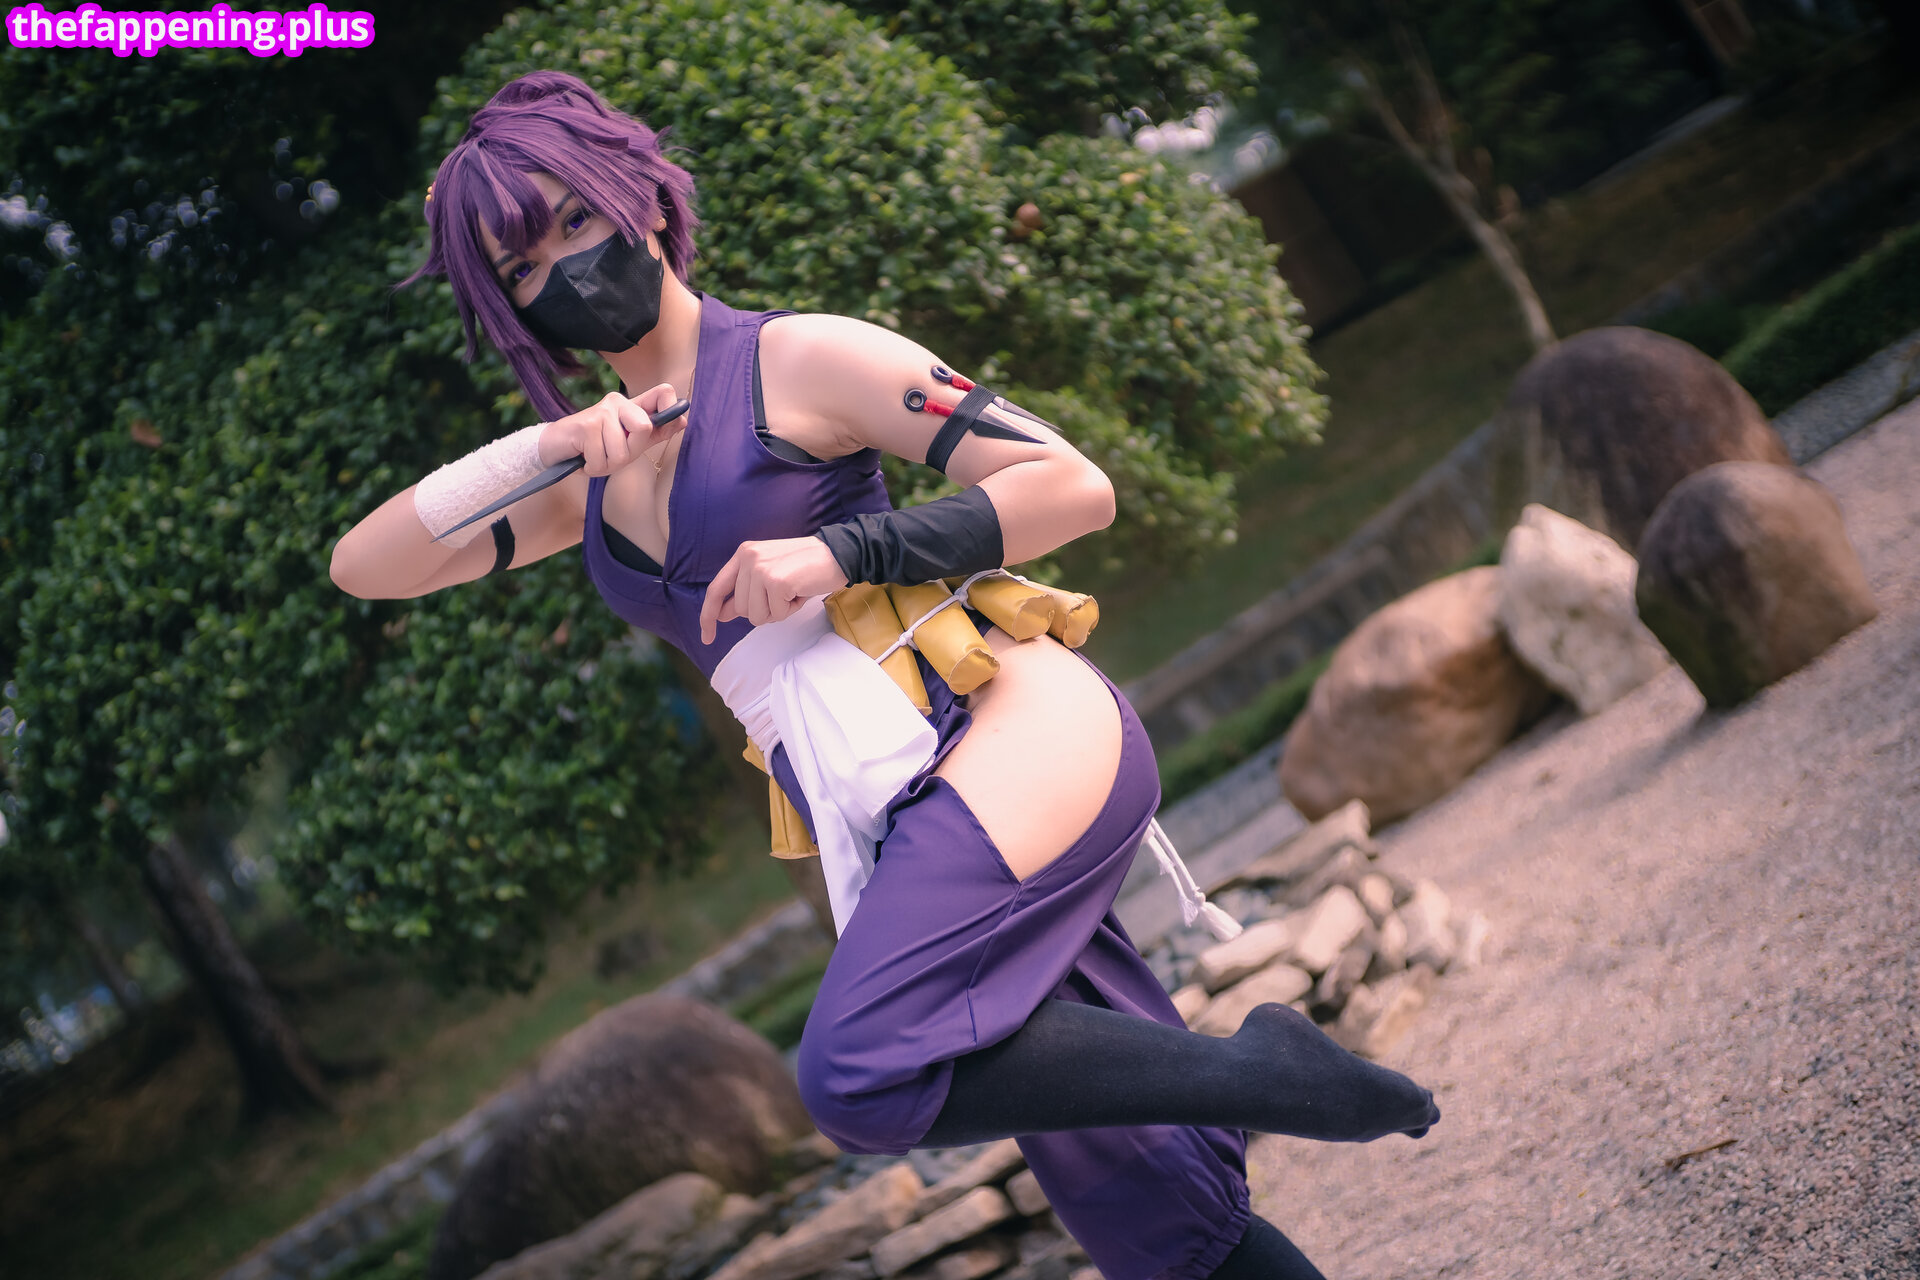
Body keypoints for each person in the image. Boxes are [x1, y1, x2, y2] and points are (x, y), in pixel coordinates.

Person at [329, 71, 1440, 1280]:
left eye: (577, 221)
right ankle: (1257, 1086)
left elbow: (1071, 485)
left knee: (857, 1071)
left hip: (997, 722)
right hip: (880, 798)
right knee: (1145, 1201)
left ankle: (1256, 1068)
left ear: (639, 196)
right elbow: (367, 564)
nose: (565, 269)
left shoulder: (797, 358)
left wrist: (841, 551)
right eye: (524, 266)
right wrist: (549, 440)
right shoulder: (584, 479)